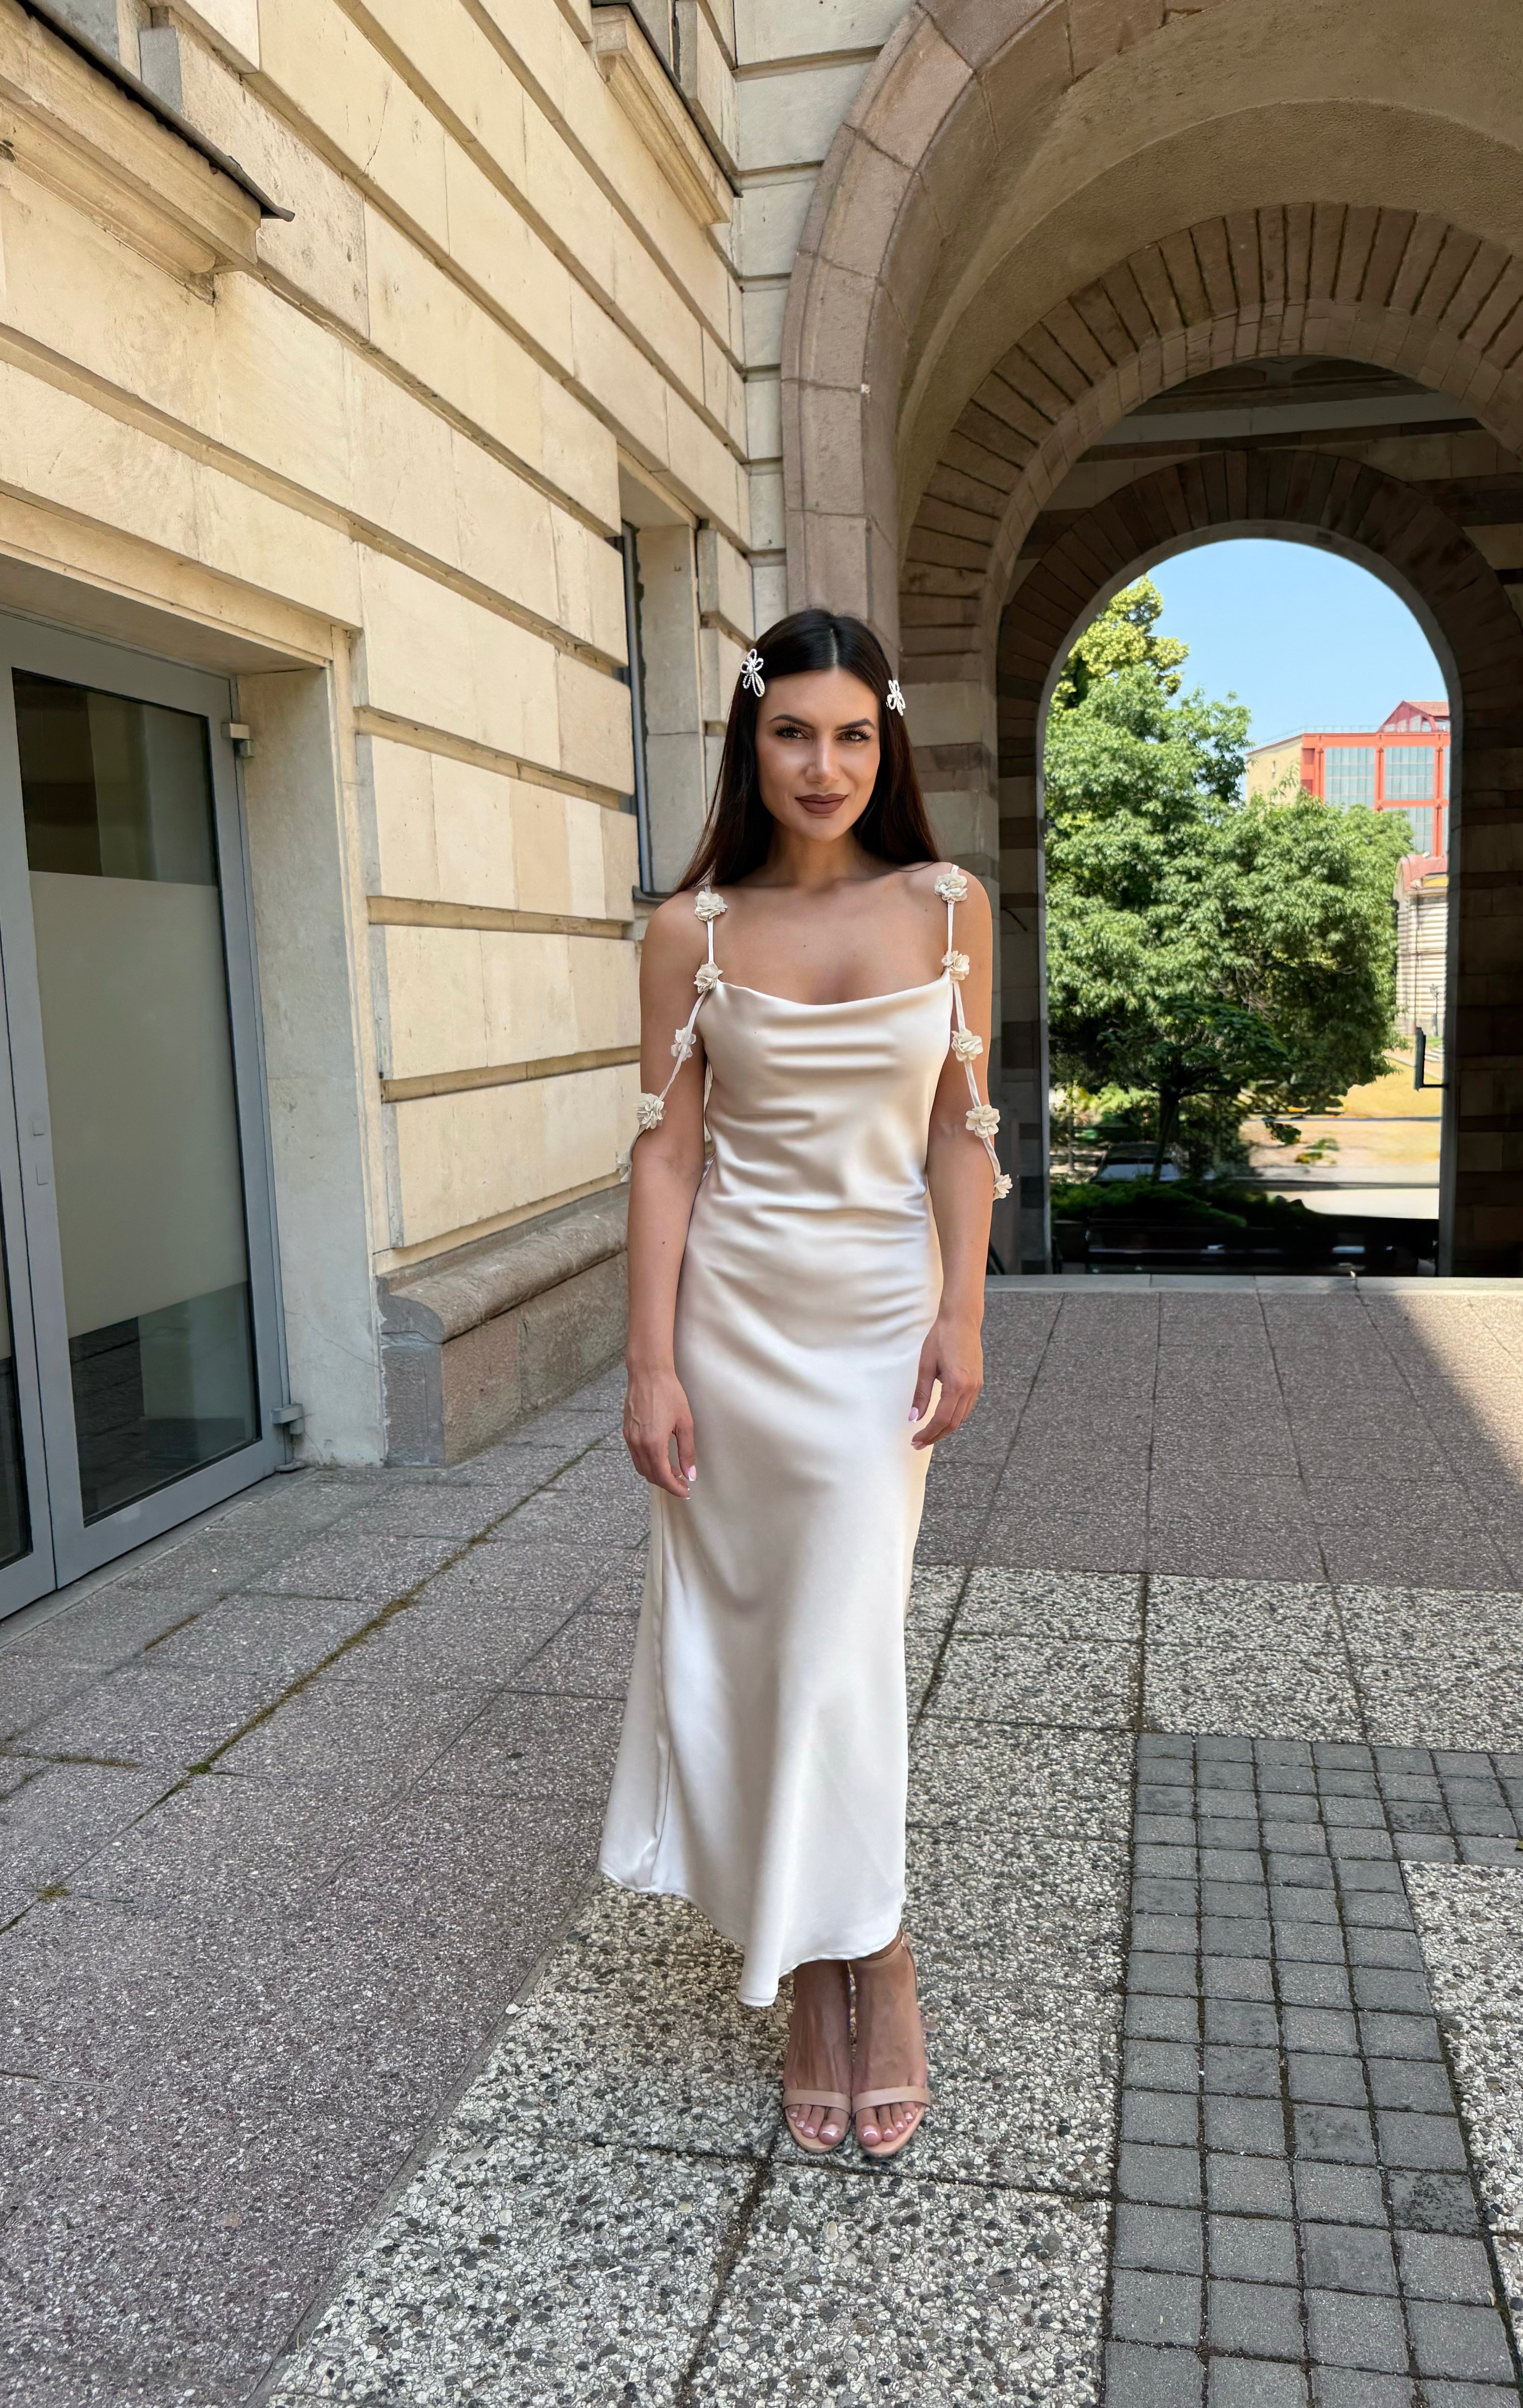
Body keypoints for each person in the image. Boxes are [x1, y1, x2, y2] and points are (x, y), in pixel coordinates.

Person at [599, 609, 1009, 2160]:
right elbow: (665, 1156)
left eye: (850, 735)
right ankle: (821, 1972)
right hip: (732, 1328)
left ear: (884, 742)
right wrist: (650, 1361)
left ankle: (872, 1954)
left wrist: (964, 1314)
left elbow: (958, 1131)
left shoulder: (950, 907)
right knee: (768, 1646)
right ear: (749, 743)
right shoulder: (690, 931)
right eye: (791, 733)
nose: (822, 766)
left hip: (879, 1322)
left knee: (843, 1641)